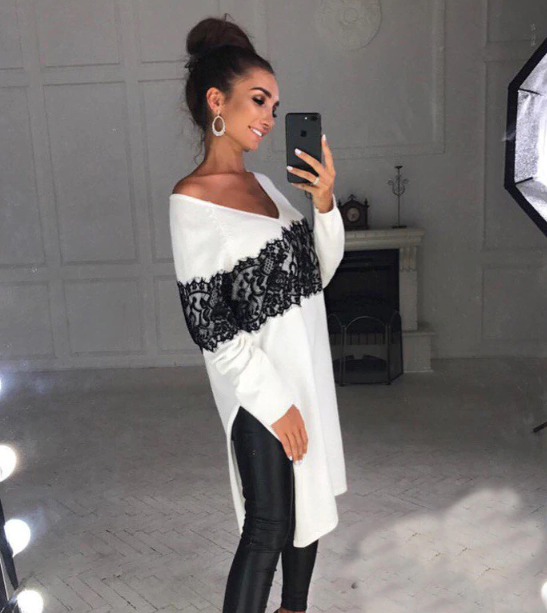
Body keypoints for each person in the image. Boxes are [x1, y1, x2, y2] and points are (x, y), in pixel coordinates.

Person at [168, 14, 348, 613]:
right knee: (268, 525)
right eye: (258, 99)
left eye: (274, 103)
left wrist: (323, 204)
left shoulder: (270, 187)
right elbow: (209, 326)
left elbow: (315, 276)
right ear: (216, 101)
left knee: (307, 512)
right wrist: (275, 402)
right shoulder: (191, 201)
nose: (270, 116)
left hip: (306, 374)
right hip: (260, 389)